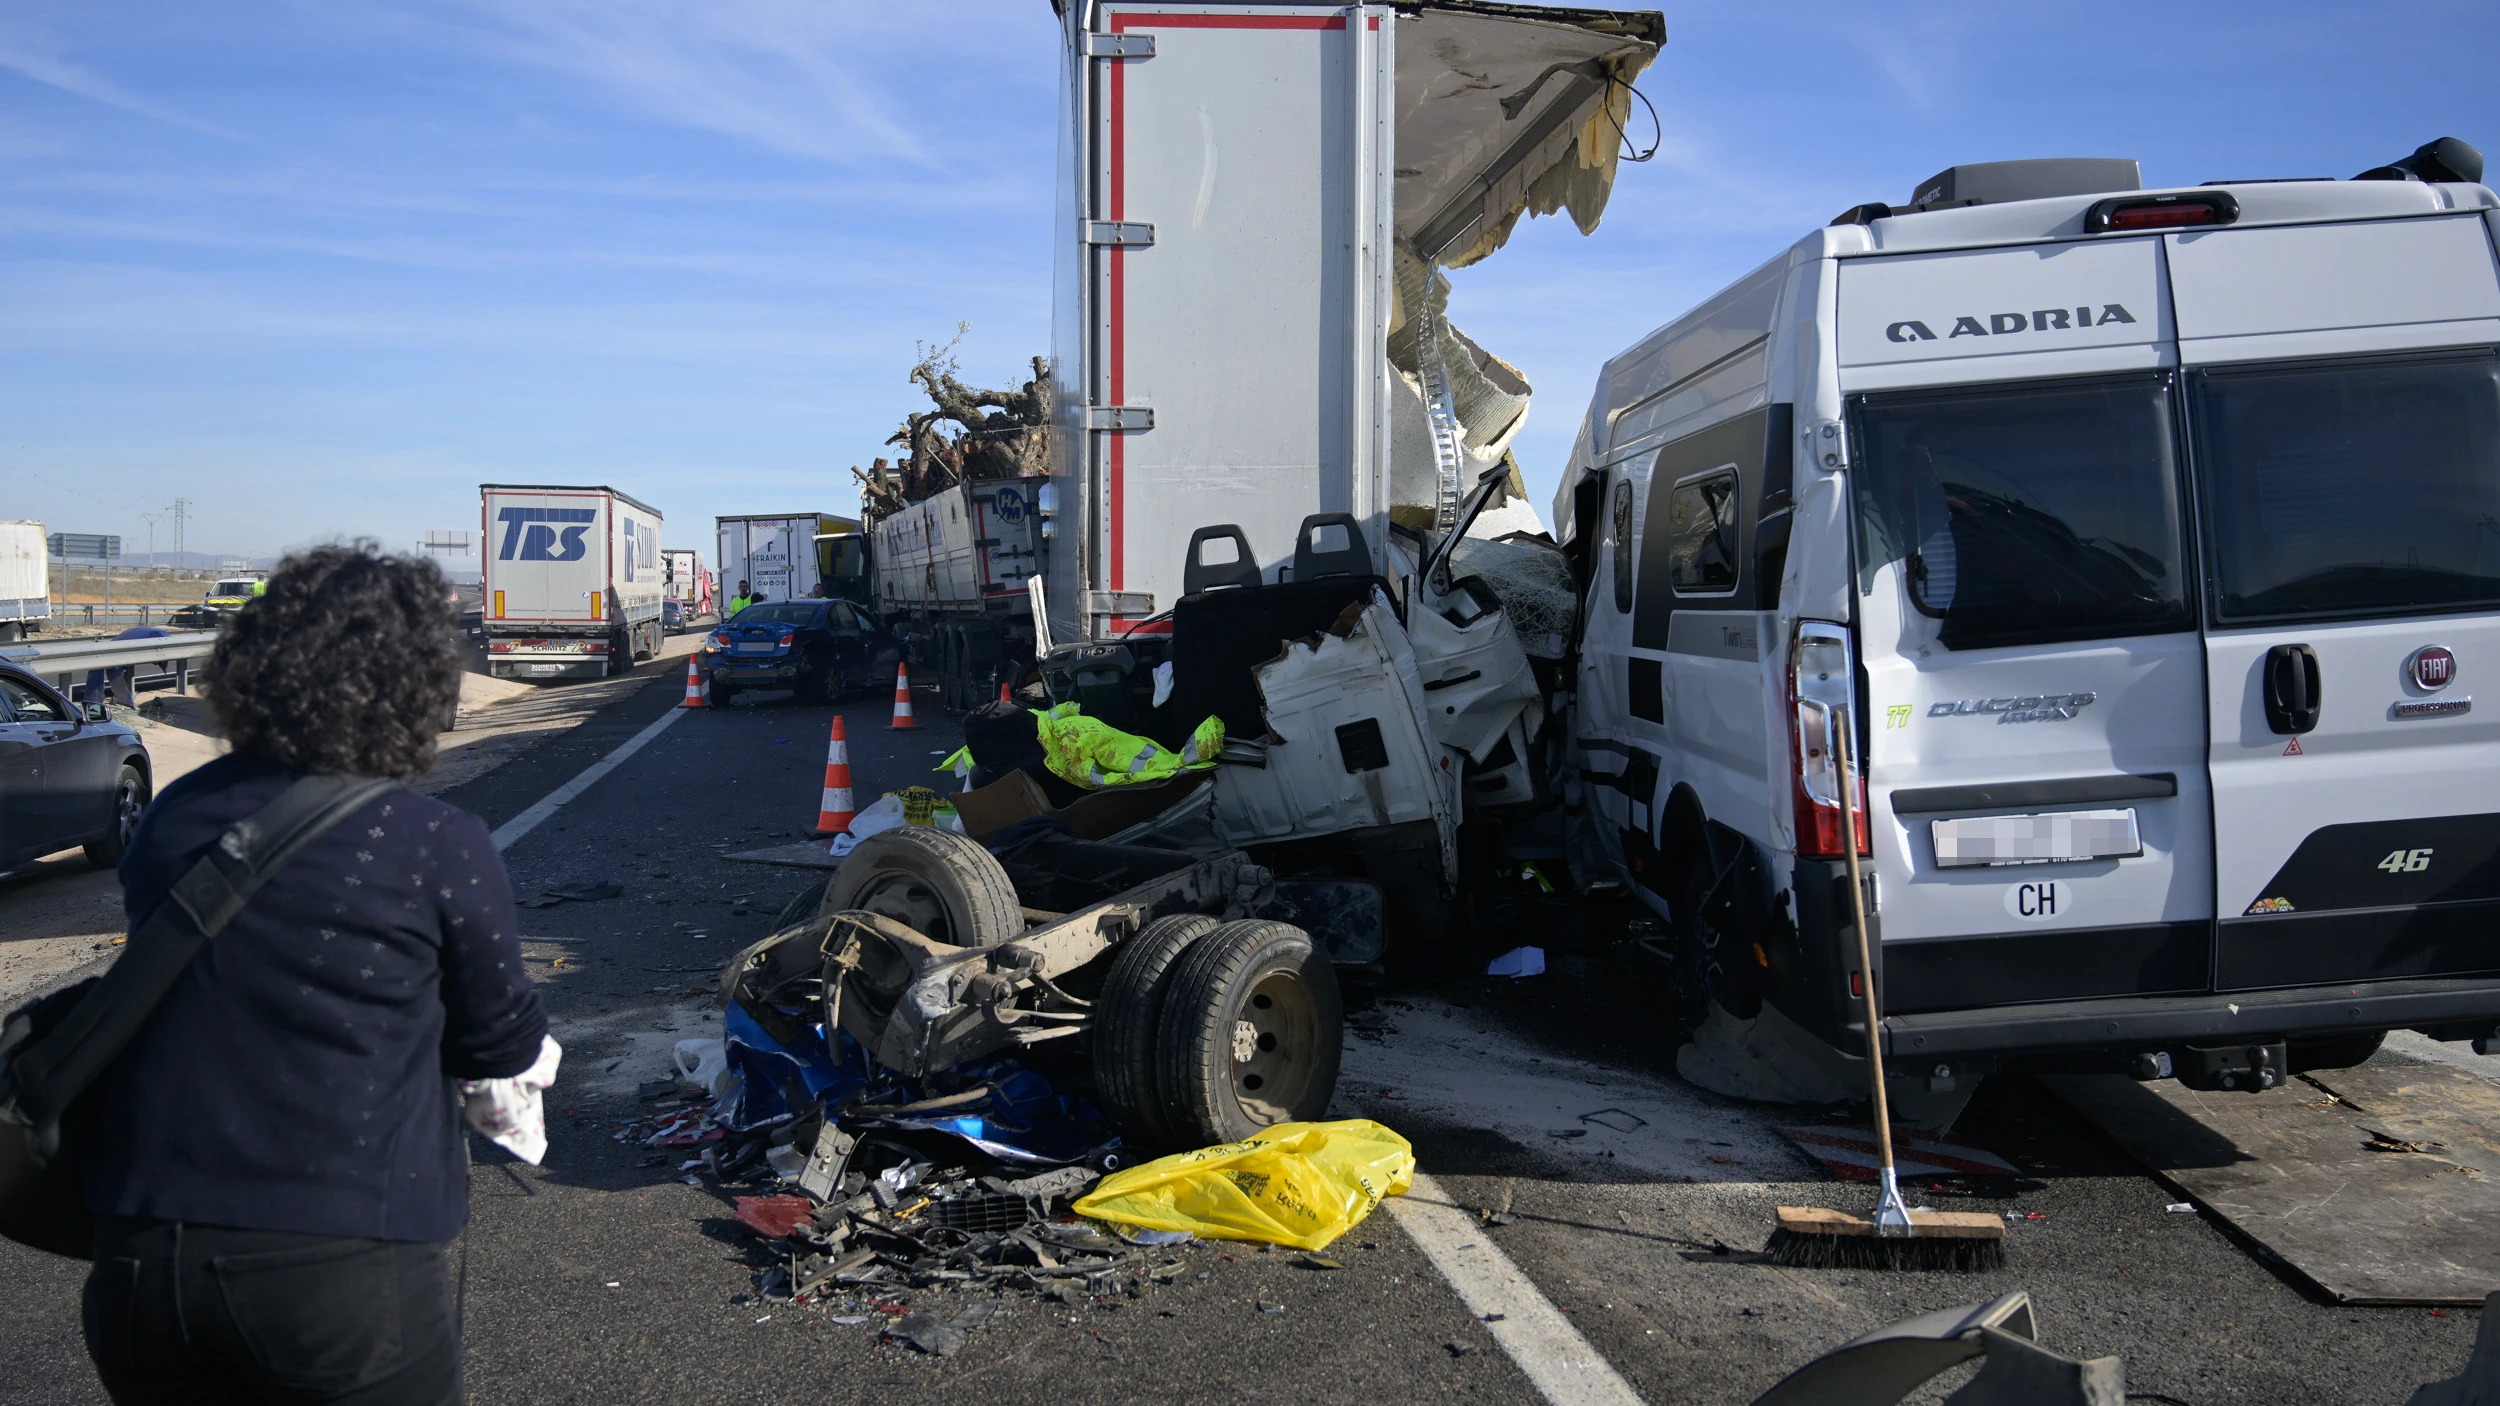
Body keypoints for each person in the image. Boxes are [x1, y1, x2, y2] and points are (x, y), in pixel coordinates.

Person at [77, 545, 547, 1406]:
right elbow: (501, 1037)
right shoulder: (435, 839)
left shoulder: (179, 812)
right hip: (338, 1266)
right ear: (413, 684)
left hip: (143, 1252)